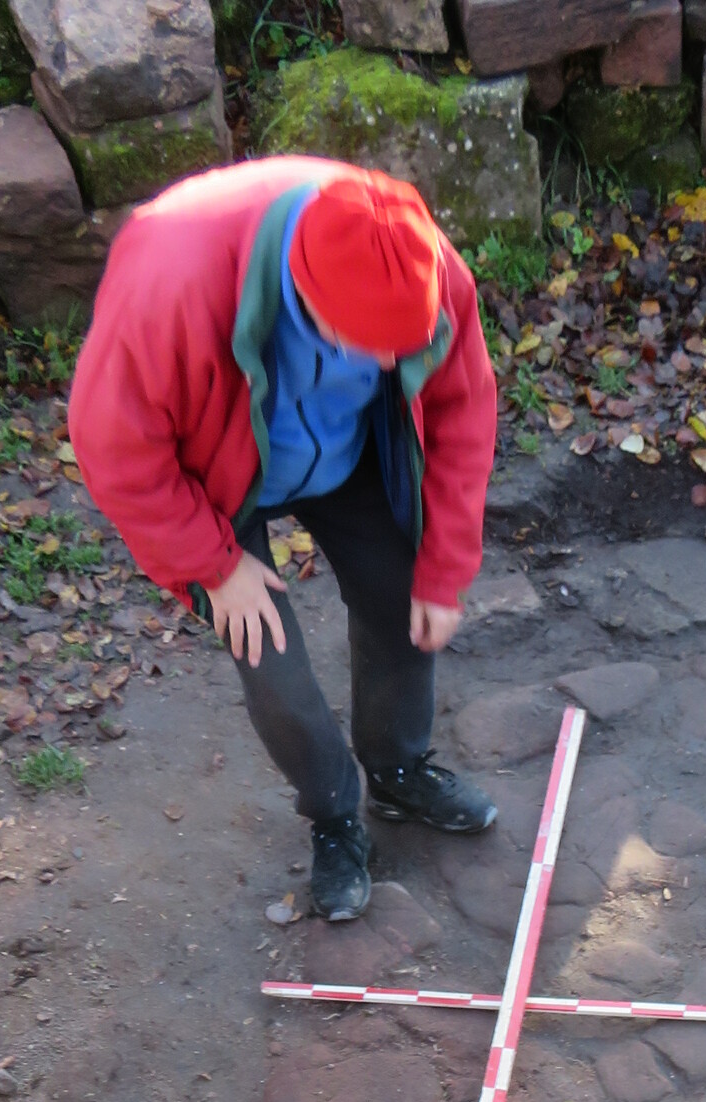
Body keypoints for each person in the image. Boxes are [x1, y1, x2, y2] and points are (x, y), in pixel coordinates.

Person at [69, 157, 500, 923]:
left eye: (405, 348)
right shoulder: (167, 281)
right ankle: (333, 814)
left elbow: (462, 413)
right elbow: (116, 449)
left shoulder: (423, 261)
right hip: (219, 471)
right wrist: (214, 564)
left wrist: (446, 567)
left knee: (404, 601)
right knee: (270, 657)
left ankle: (398, 772)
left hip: (345, 451)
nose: (393, 364)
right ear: (306, 298)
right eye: (372, 346)